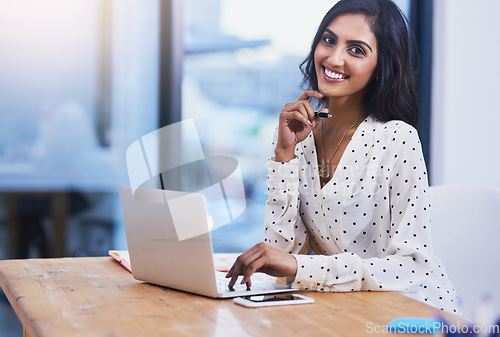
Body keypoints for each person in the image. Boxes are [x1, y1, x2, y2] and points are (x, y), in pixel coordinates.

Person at [226, 0, 462, 316]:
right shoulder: (297, 134)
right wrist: (284, 156)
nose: (334, 58)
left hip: (413, 313)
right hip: (344, 309)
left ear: (382, 67)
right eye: (329, 40)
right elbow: (284, 256)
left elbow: (411, 266)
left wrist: (301, 267)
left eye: (357, 50)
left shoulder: (397, 138)